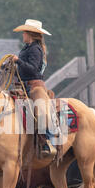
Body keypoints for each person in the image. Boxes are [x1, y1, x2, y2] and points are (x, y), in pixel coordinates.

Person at [11, 19, 56, 158]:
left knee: (42, 110)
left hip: (35, 86)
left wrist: (18, 61)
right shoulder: (26, 48)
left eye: (24, 32)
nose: (23, 34)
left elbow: (33, 69)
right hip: (22, 86)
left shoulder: (36, 49)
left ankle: (47, 141)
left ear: (30, 33)